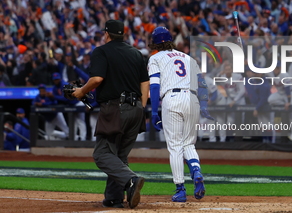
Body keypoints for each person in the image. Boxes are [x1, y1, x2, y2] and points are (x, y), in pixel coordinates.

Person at [72, 19, 149, 209]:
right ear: (122, 34)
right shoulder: (136, 53)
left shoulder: (101, 51)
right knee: (120, 155)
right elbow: (145, 83)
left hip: (116, 108)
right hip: (137, 108)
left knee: (101, 154)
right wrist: (140, 106)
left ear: (106, 34)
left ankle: (131, 180)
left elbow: (97, 78)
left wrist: (81, 91)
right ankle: (114, 198)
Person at [147, 26, 213, 202]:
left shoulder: (155, 58)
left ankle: (180, 189)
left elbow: (154, 86)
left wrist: (154, 111)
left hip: (172, 98)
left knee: (175, 146)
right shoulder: (189, 58)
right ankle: (196, 170)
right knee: (189, 144)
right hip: (192, 99)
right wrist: (204, 105)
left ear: (155, 42)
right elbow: (203, 86)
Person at [49, 72, 87, 141]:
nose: (56, 81)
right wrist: (52, 97)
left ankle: (83, 138)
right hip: (71, 105)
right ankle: (74, 139)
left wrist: (54, 96)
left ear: (60, 79)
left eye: (57, 79)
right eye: (55, 79)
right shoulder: (55, 88)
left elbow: (65, 98)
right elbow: (56, 99)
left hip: (78, 103)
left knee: (80, 121)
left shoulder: (65, 85)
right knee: (74, 123)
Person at [268, 62, 292, 141]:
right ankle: (284, 104)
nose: (276, 69)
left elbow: (287, 89)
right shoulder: (270, 73)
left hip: (290, 93)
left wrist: (288, 102)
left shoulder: (284, 75)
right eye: (275, 68)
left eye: (278, 68)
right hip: (280, 94)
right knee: (270, 100)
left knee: (291, 113)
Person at [218, 64, 246, 142]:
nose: (227, 71)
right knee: (229, 121)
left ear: (232, 70)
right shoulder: (223, 77)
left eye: (229, 69)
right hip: (230, 99)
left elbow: (242, 91)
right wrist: (219, 74)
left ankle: (240, 140)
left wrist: (235, 100)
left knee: (240, 121)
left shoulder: (238, 76)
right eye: (226, 69)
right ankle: (230, 140)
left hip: (239, 99)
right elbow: (215, 81)